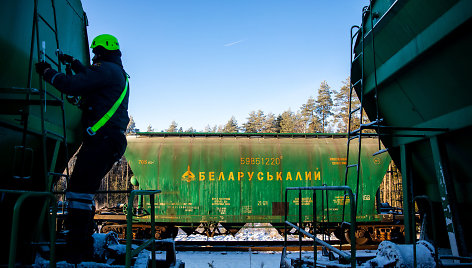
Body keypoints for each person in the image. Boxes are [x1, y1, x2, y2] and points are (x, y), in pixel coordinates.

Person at [35, 34, 129, 263]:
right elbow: (93, 78)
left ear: (100, 52)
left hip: (102, 141)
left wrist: (47, 72)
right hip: (109, 141)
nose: (94, 57)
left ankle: (79, 249)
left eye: (95, 53)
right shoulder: (115, 71)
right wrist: (75, 64)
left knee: (78, 192)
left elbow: (72, 85)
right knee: (82, 192)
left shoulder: (106, 70)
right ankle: (80, 243)